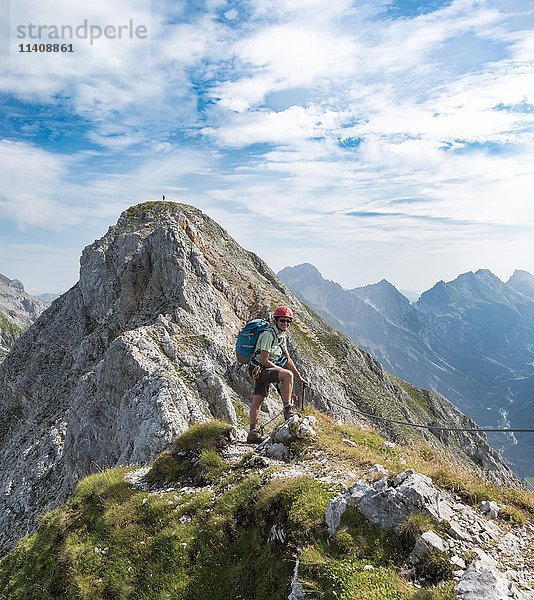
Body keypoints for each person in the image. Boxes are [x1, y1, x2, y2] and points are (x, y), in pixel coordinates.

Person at [247, 306, 308, 444]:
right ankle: (288, 409)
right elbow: (264, 360)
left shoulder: (281, 336)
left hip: (262, 369)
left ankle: (253, 433)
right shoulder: (268, 335)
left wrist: (299, 376)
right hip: (260, 369)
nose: (285, 324)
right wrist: (282, 371)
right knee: (287, 375)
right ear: (276, 321)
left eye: (288, 321)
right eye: (282, 321)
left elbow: (287, 359)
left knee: (258, 400)